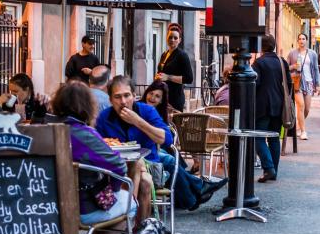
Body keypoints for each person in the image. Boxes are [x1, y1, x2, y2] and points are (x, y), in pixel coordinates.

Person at [52, 81, 139, 234]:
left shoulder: (48, 130)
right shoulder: (84, 134)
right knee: (131, 204)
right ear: (86, 105)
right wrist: (112, 190)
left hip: (52, 206)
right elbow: (119, 166)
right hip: (83, 208)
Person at [96, 75, 225, 210]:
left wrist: (137, 121)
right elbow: (96, 148)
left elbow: (167, 140)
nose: (123, 101)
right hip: (117, 170)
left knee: (163, 164)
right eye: (117, 97)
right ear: (110, 99)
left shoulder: (147, 111)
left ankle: (192, 195)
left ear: (134, 96)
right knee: (168, 161)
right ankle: (196, 192)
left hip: (151, 167)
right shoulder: (104, 118)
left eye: (126, 95)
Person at [251, 34, 291, 182]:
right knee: (274, 138)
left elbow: (255, 83)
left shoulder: (259, 63)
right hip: (279, 105)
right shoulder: (282, 62)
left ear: (262, 47)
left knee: (258, 137)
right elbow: (289, 84)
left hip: (262, 106)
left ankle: (268, 168)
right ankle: (274, 170)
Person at [287, 33, 320, 140]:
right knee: (300, 106)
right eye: (300, 39)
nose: (302, 41)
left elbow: (316, 69)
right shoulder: (292, 53)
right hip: (297, 82)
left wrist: (318, 84)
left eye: (303, 39)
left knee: (306, 109)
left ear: (306, 40)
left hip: (309, 82)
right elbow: (285, 67)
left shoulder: (312, 54)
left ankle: (298, 125)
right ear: (297, 41)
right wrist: (293, 66)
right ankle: (303, 131)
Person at [156, 26, 194, 112]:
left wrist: (168, 77)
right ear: (166, 38)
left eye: (175, 38)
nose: (172, 40)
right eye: (170, 37)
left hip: (175, 99)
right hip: (163, 97)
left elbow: (189, 79)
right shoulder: (164, 54)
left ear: (179, 40)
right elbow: (161, 72)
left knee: (173, 125)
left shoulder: (182, 55)